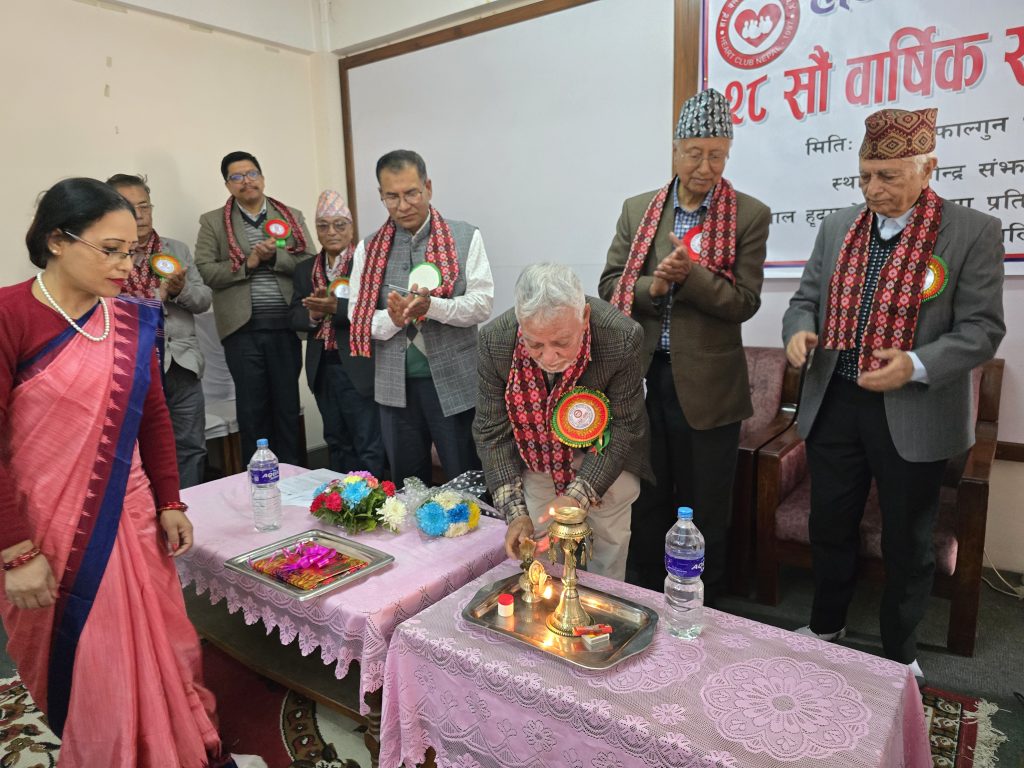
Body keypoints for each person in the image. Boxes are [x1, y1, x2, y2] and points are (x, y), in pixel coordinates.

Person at [0, 178, 228, 766]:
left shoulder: (129, 319)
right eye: (110, 250)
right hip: (48, 530)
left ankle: (173, 748)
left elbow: (152, 414)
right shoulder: (8, 315)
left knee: (159, 644)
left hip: (131, 515)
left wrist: (171, 501)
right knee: (94, 663)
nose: (127, 266)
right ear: (56, 240)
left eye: (131, 251)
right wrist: (16, 552)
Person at [782, 107, 1005, 679]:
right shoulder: (838, 227)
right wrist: (799, 330)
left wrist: (916, 364)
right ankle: (827, 624)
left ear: (927, 168)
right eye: (865, 176)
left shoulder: (972, 232)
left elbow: (982, 330)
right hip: (836, 400)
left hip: (915, 408)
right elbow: (804, 300)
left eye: (888, 176)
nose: (873, 189)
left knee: (909, 539)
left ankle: (900, 653)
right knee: (830, 523)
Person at [598, 88, 770, 603]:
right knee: (646, 496)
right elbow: (609, 285)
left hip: (710, 388)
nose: (705, 166)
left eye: (718, 155)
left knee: (706, 505)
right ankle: (645, 598)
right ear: (675, 151)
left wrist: (691, 277)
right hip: (642, 378)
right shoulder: (638, 210)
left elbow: (744, 302)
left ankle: (704, 607)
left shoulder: (749, 215)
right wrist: (654, 285)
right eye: (695, 153)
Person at [474, 263, 652, 580]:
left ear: (584, 316)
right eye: (534, 344)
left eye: (561, 342)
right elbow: (491, 432)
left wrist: (576, 497)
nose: (549, 357)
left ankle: (603, 604)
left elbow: (624, 427)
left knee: (607, 546)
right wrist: (515, 513)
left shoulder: (620, 336)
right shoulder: (495, 340)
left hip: (605, 452)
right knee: (541, 547)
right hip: (537, 454)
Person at [348, 150, 493, 486]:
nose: (403, 205)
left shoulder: (465, 236)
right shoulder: (368, 249)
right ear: (381, 195)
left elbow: (481, 304)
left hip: (455, 384)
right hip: (395, 389)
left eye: (411, 193)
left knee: (466, 484)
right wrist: (394, 319)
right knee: (407, 487)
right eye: (392, 197)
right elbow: (358, 318)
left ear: (428, 187)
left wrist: (432, 307)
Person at [195, 151, 315, 465]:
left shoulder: (289, 216)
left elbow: (310, 263)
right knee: (252, 410)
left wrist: (275, 258)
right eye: (237, 177)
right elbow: (205, 270)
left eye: (251, 174)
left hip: (285, 326)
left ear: (262, 177)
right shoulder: (213, 222)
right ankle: (258, 479)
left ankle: (293, 476)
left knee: (287, 407)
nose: (246, 181)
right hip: (241, 329)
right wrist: (248, 263)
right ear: (228, 185)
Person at [107, 173, 212, 487]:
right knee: (140, 454)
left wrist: (180, 291)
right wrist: (157, 296)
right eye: (130, 208)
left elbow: (203, 299)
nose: (140, 215)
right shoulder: (107, 255)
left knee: (191, 448)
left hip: (182, 364)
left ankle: (190, 507)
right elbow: (106, 308)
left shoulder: (174, 249)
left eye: (145, 206)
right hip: (132, 367)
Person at [290, 190, 386, 476]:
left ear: (351, 228)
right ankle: (340, 498)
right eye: (323, 226)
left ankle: (374, 499)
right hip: (322, 366)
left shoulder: (366, 263)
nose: (331, 232)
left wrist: (337, 308)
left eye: (339, 225)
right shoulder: (305, 269)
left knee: (368, 442)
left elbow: (377, 309)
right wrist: (314, 313)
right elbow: (293, 315)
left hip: (358, 364)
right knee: (335, 440)